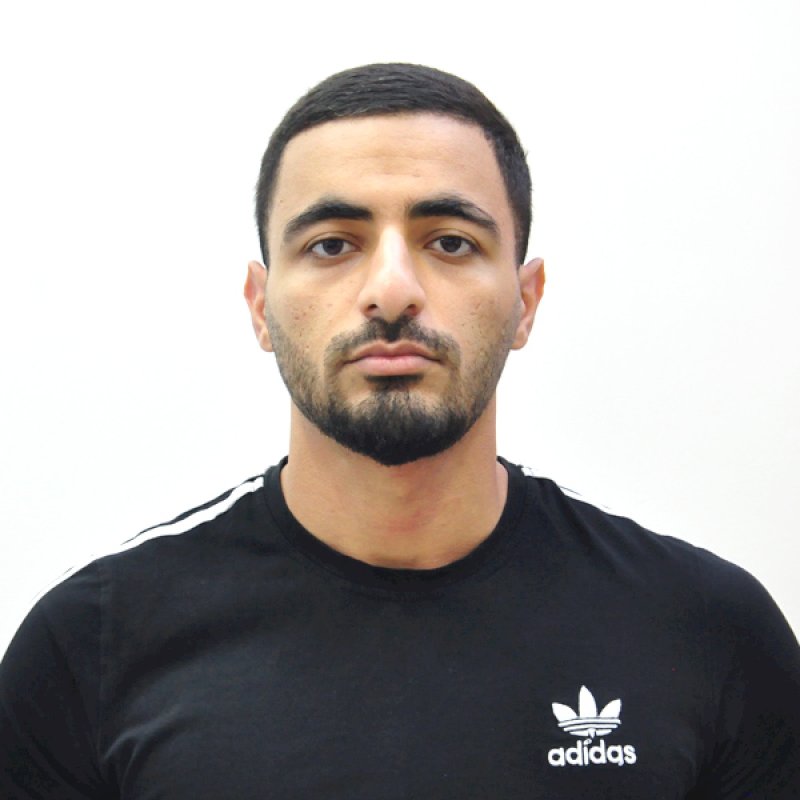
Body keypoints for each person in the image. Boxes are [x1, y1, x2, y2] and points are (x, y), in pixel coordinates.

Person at [1, 63, 797, 799]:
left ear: (526, 301)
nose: (391, 291)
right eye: (332, 244)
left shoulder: (706, 629)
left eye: (450, 242)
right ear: (261, 307)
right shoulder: (91, 646)